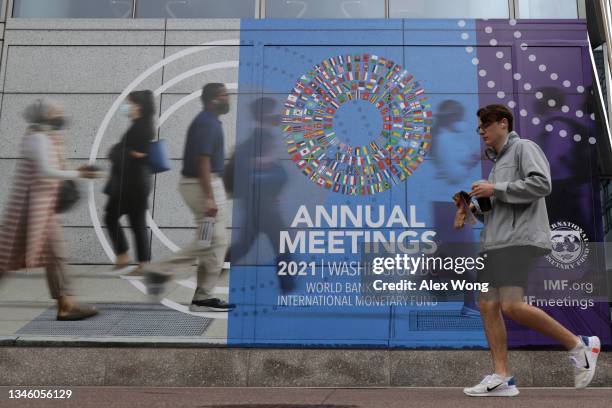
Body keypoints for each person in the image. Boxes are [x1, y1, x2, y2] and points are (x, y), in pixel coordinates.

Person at [462, 104, 600, 397]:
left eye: (486, 125)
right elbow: (499, 207)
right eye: (479, 128)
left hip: (517, 240)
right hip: (495, 242)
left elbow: (541, 184)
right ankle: (503, 377)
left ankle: (579, 344)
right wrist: (473, 209)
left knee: (512, 306)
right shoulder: (497, 162)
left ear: (503, 123)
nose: (482, 132)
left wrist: (495, 189)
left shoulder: (524, 147)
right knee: (487, 305)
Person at [0, 99, 99, 320]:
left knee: (56, 254)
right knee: (6, 257)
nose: (61, 116)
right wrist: (79, 174)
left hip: (43, 206)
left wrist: (76, 170)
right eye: (56, 112)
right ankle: (66, 304)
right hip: (32, 208)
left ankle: (66, 305)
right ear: (43, 116)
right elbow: (47, 171)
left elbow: (52, 167)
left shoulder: (46, 138)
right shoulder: (37, 139)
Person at [144, 83, 235, 312]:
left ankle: (202, 296)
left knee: (209, 242)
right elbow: (202, 161)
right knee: (217, 241)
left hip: (205, 184)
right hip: (201, 185)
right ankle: (161, 269)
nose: (228, 99)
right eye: (224, 95)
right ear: (213, 99)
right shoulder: (207, 123)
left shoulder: (210, 121)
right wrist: (209, 198)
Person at [104, 90, 155, 272]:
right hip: (134, 182)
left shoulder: (141, 127)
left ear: (138, 106)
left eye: (129, 103)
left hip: (131, 183)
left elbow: (142, 153)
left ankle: (124, 255)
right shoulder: (140, 124)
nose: (126, 107)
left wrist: (120, 150)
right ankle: (141, 262)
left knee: (111, 216)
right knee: (136, 222)